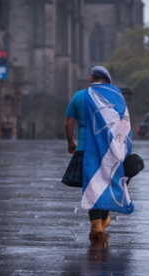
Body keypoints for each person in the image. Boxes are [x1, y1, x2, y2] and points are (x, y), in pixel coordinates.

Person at [62, 65, 134, 239]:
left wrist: (71, 142)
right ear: (108, 82)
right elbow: (124, 125)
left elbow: (68, 123)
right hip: (111, 151)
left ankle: (97, 224)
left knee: (92, 185)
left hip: (85, 150)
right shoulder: (116, 97)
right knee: (107, 182)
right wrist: (125, 149)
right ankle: (102, 220)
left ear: (91, 79)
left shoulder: (80, 96)